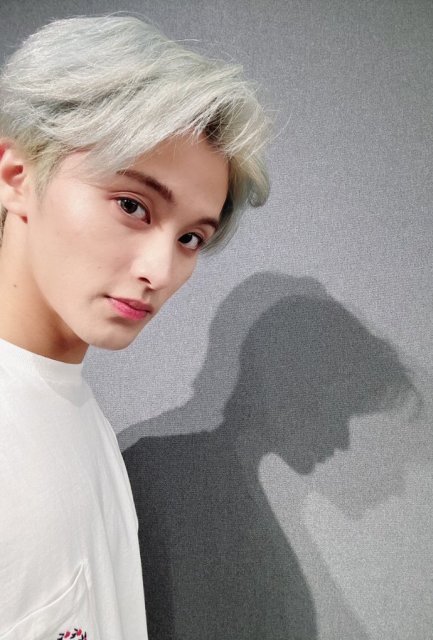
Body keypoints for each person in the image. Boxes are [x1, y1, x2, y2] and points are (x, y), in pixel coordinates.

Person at [0, 14, 269, 640]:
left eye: (191, 238)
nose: (161, 270)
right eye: (132, 205)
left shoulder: (71, 405)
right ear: (17, 176)